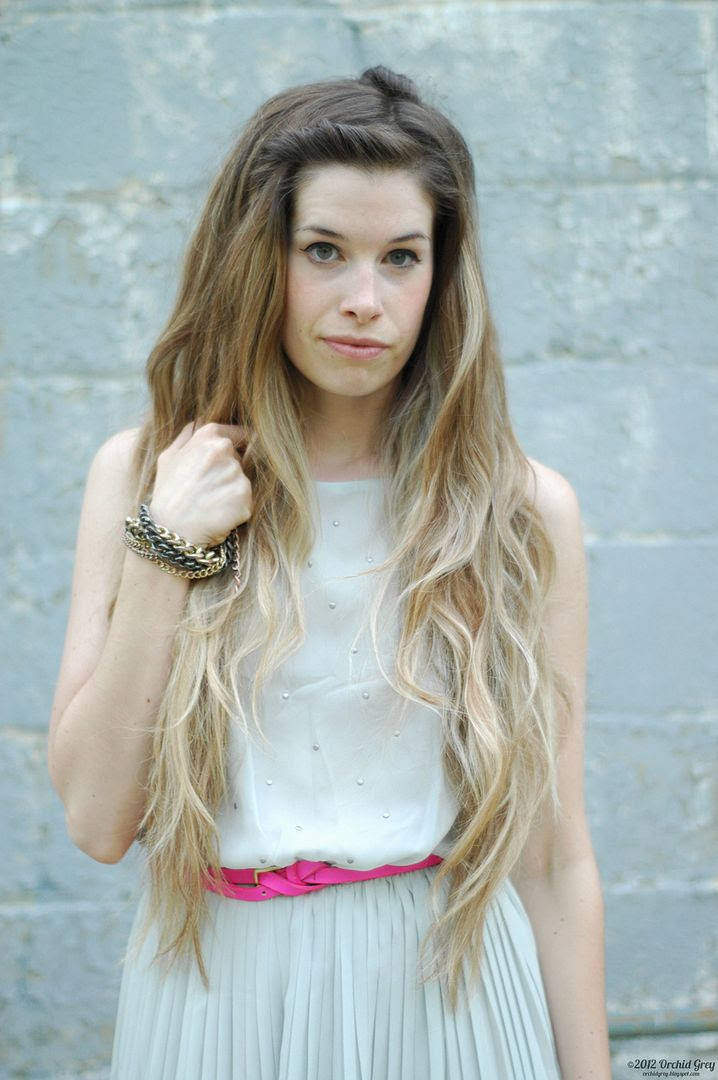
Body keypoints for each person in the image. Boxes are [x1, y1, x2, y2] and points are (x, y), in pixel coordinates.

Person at [48, 65, 611, 1080]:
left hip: (452, 991)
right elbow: (96, 821)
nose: (364, 301)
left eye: (401, 258)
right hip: (214, 990)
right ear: (258, 258)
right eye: (323, 251)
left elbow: (552, 859)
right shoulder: (145, 477)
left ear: (442, 273)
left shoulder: (520, 512)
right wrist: (168, 549)